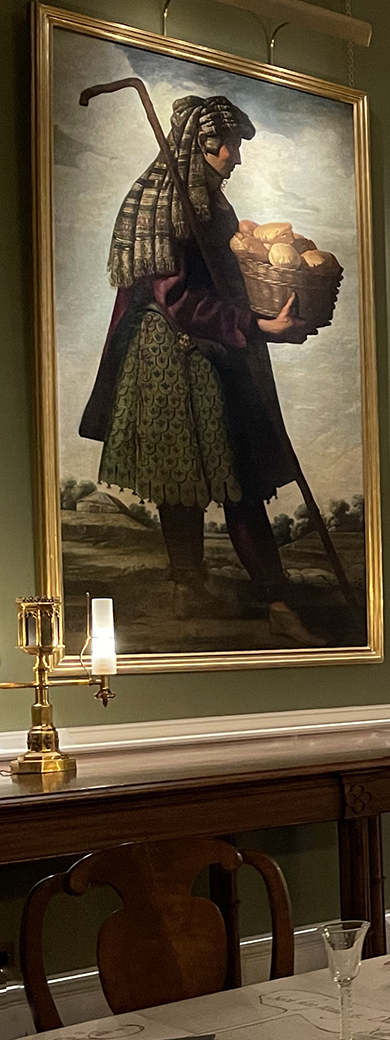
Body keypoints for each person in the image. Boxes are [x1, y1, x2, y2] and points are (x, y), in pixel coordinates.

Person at [78, 93, 325, 645]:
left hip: (218, 346)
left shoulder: (217, 206)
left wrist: (269, 317)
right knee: (183, 476)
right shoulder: (161, 205)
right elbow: (177, 298)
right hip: (168, 354)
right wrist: (257, 327)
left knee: (240, 471)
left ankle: (274, 596)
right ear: (203, 147)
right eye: (228, 147)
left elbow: (230, 281)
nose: (235, 157)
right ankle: (191, 584)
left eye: (235, 146)